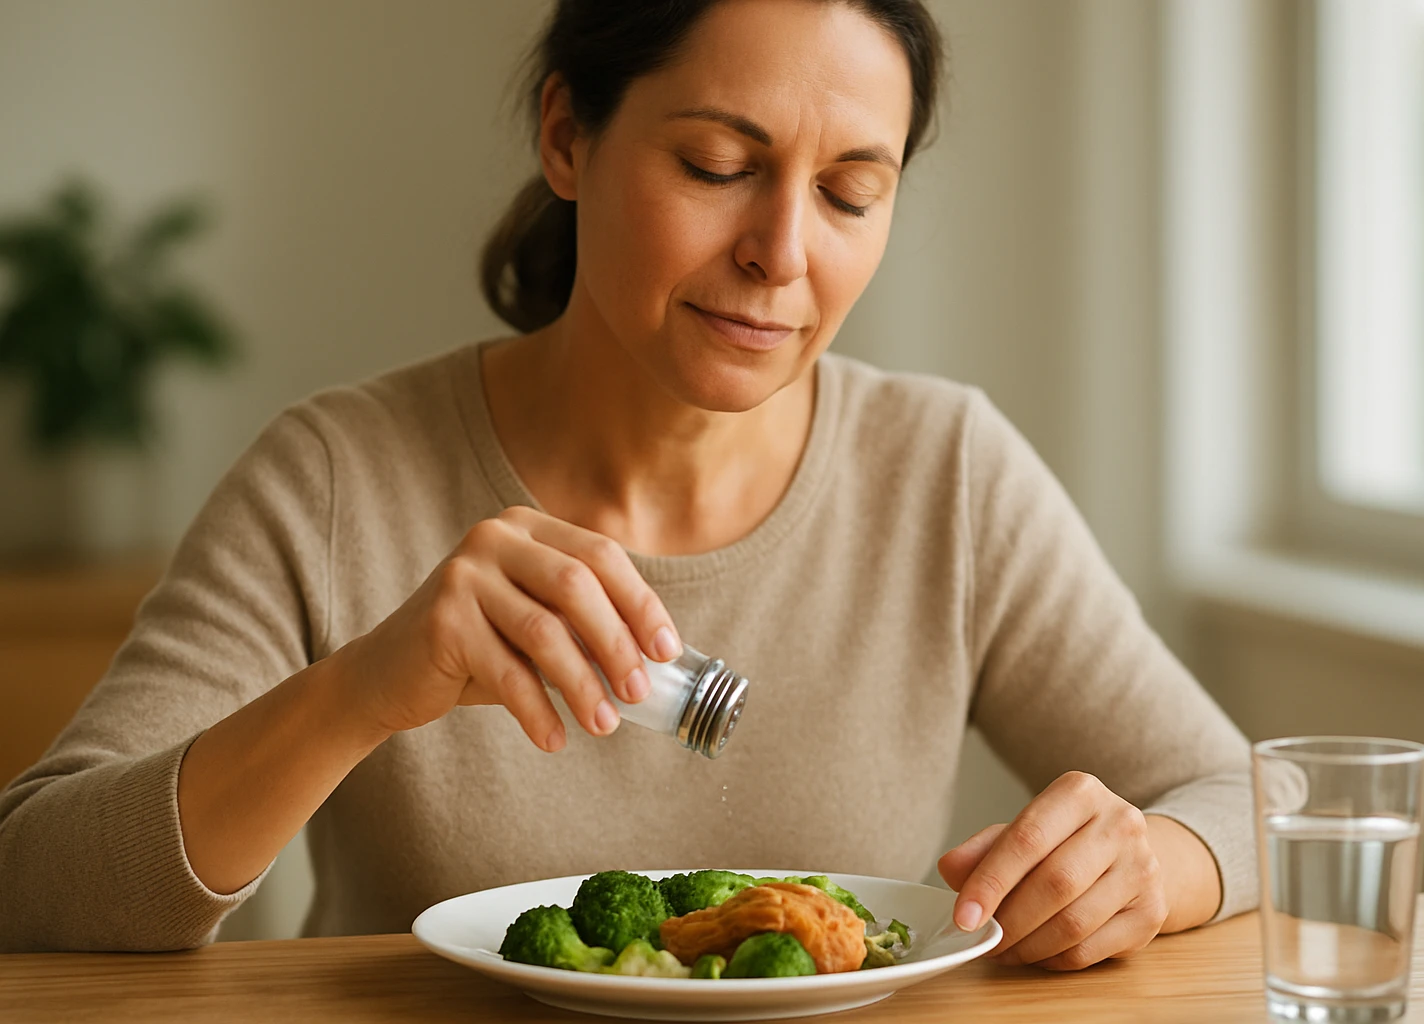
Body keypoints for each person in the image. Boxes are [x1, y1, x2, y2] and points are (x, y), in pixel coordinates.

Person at [0, 0, 1255, 970]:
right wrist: (361, 691)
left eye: (849, 192)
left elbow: (1256, 800)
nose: (782, 253)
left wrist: (1159, 862)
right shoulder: (338, 477)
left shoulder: (946, 472)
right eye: (717, 165)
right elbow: (33, 882)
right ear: (565, 135)